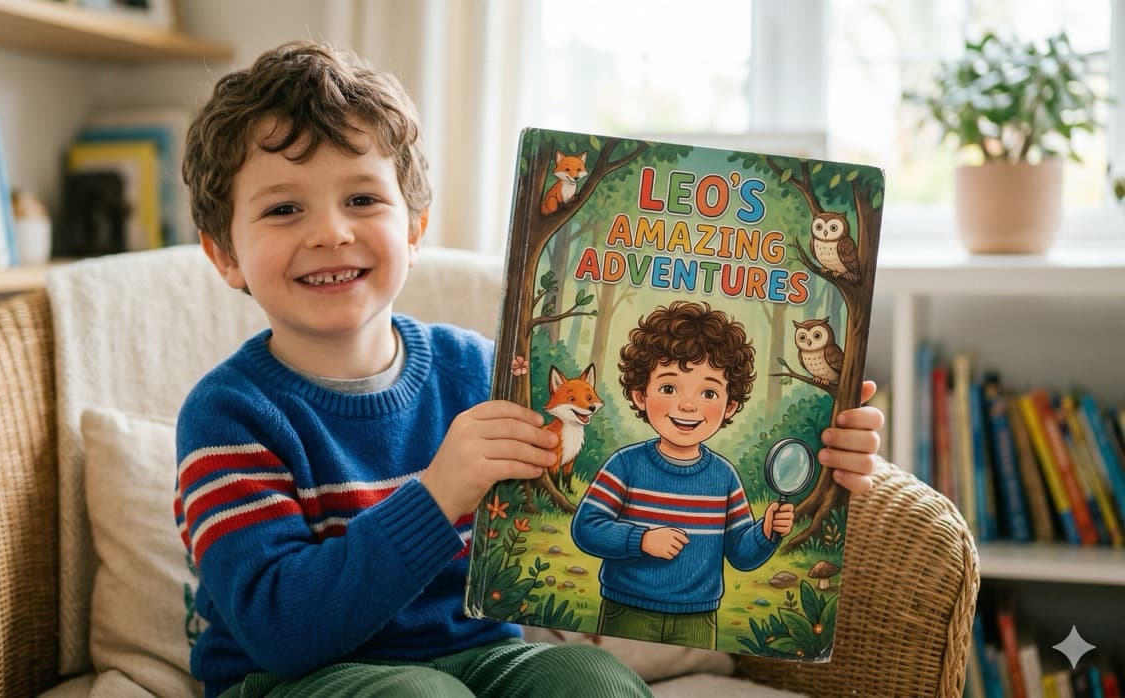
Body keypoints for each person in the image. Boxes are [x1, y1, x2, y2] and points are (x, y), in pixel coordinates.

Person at [175, 40, 884, 697]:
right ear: (225, 255)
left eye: (362, 199)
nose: (331, 232)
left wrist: (822, 455)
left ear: (414, 229)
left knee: (592, 680)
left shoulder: (481, 372)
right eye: (284, 208)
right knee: (419, 695)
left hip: (478, 659)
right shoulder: (228, 415)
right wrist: (439, 491)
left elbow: (633, 466)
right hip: (294, 681)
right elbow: (283, 630)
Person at [572, 301, 856, 649]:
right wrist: (642, 540)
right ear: (640, 395)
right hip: (626, 607)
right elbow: (586, 528)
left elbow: (740, 554)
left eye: (708, 393)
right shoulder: (625, 464)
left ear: (730, 405)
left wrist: (766, 532)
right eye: (668, 388)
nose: (688, 405)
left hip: (699, 617)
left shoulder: (723, 476)